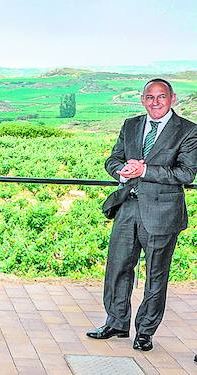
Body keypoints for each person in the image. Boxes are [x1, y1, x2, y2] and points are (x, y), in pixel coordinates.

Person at [86, 78, 197, 351]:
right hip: (127, 207)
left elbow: (186, 173)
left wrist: (144, 171)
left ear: (172, 99)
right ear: (142, 99)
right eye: (149, 97)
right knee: (117, 268)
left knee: (155, 276)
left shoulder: (189, 131)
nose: (155, 102)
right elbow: (112, 159)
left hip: (162, 214)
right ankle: (116, 322)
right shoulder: (131, 125)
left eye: (161, 97)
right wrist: (121, 171)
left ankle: (145, 332)